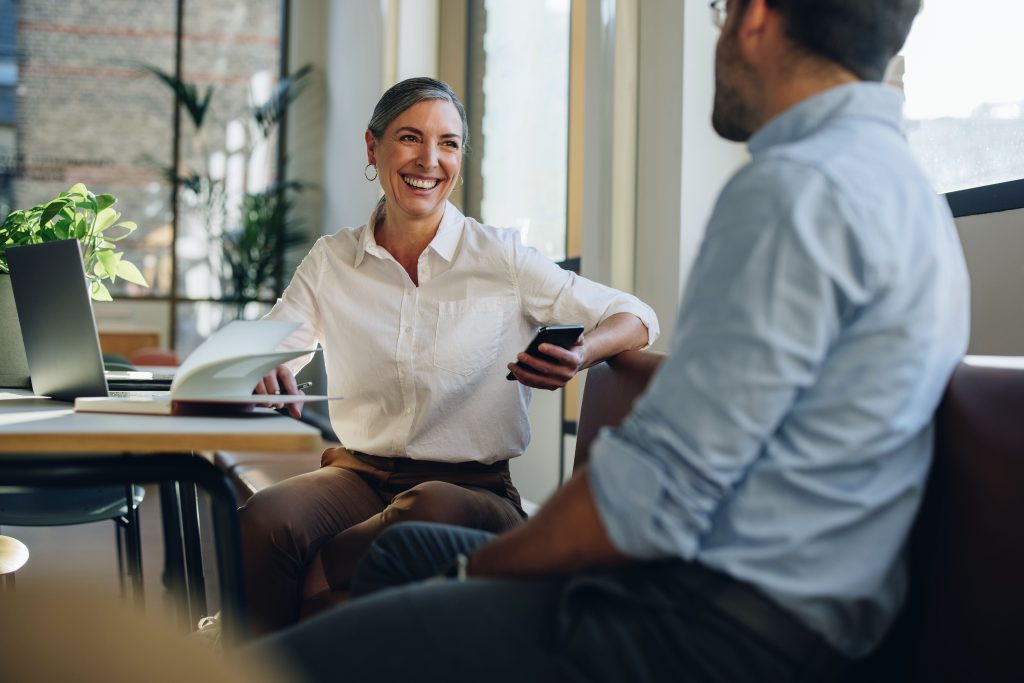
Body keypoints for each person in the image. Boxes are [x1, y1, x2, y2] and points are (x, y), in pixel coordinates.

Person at [243, 0, 970, 680]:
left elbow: (649, 496)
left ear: (754, 18)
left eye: (716, 10)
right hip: (792, 599)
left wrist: (476, 578)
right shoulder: (897, 187)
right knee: (405, 552)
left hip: (706, 615)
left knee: (331, 643)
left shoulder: (796, 190)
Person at [232, 77, 659, 636]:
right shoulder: (333, 259)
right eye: (409, 138)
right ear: (372, 148)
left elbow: (636, 316)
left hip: (471, 491)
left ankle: (311, 595)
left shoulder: (501, 257)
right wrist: (263, 364)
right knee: (264, 520)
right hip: (358, 475)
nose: (429, 160)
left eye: (449, 144)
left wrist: (580, 354)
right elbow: (267, 346)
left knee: (426, 512)